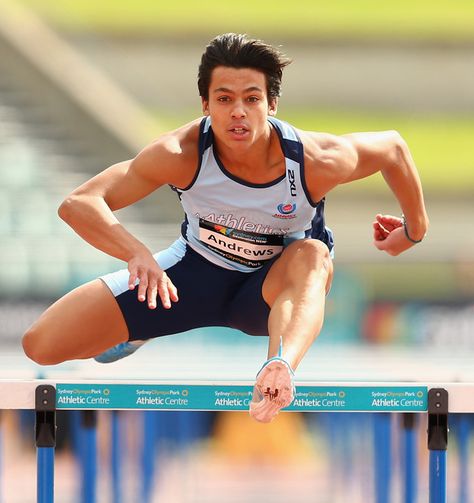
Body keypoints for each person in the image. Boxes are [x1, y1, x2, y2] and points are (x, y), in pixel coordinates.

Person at [22, 33, 428, 423]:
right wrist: (136, 252)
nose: (238, 112)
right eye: (224, 99)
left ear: (272, 105)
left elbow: (393, 148)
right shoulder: (179, 153)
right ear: (205, 104)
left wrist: (414, 230)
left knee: (314, 254)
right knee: (41, 344)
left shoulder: (315, 160)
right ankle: (140, 330)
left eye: (251, 99)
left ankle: (279, 367)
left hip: (270, 293)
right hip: (190, 279)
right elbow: (79, 203)